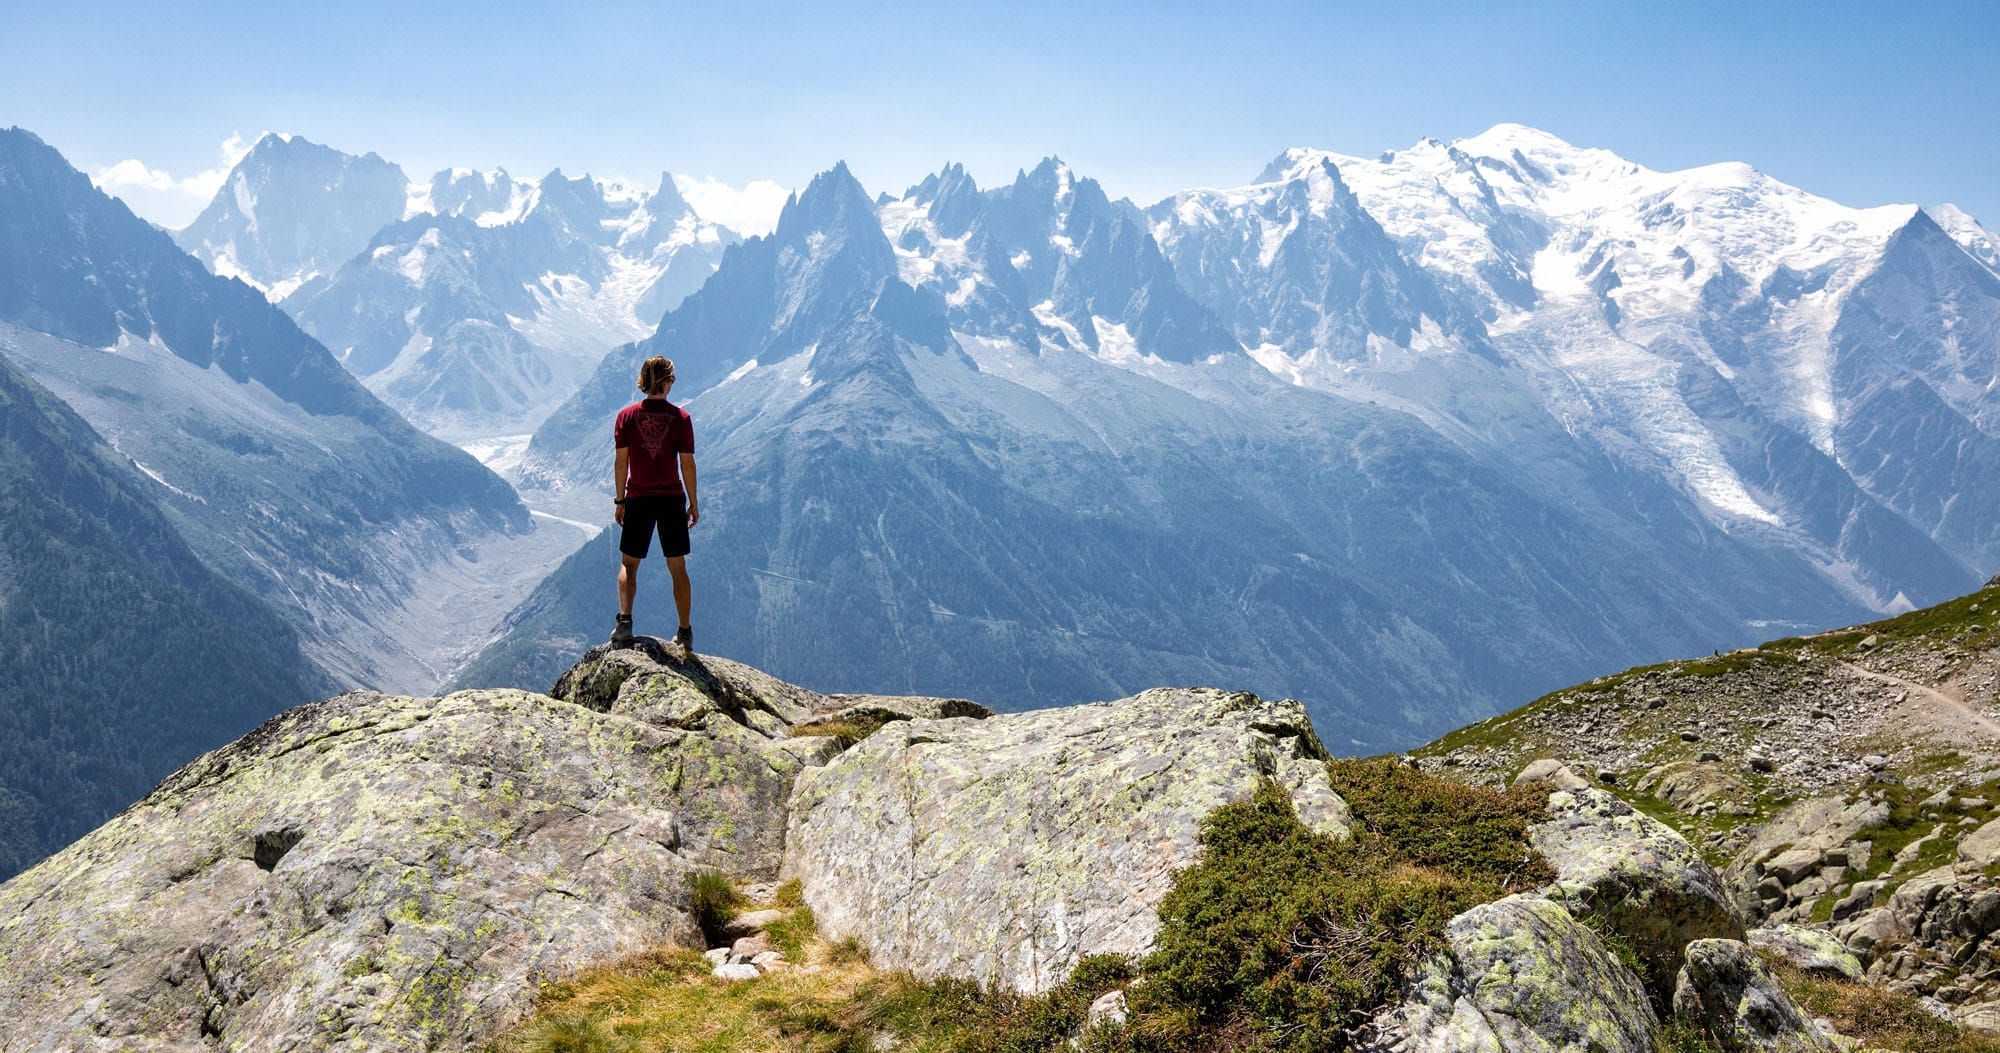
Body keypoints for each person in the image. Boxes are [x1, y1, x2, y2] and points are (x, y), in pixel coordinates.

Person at [611, 355, 698, 650]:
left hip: (638, 497)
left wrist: (620, 499)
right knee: (677, 566)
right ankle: (684, 633)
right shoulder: (681, 418)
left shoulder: (627, 416)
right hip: (672, 499)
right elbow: (687, 465)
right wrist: (694, 503)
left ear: (645, 381)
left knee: (629, 564)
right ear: (667, 381)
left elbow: (621, 461)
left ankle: (624, 624)